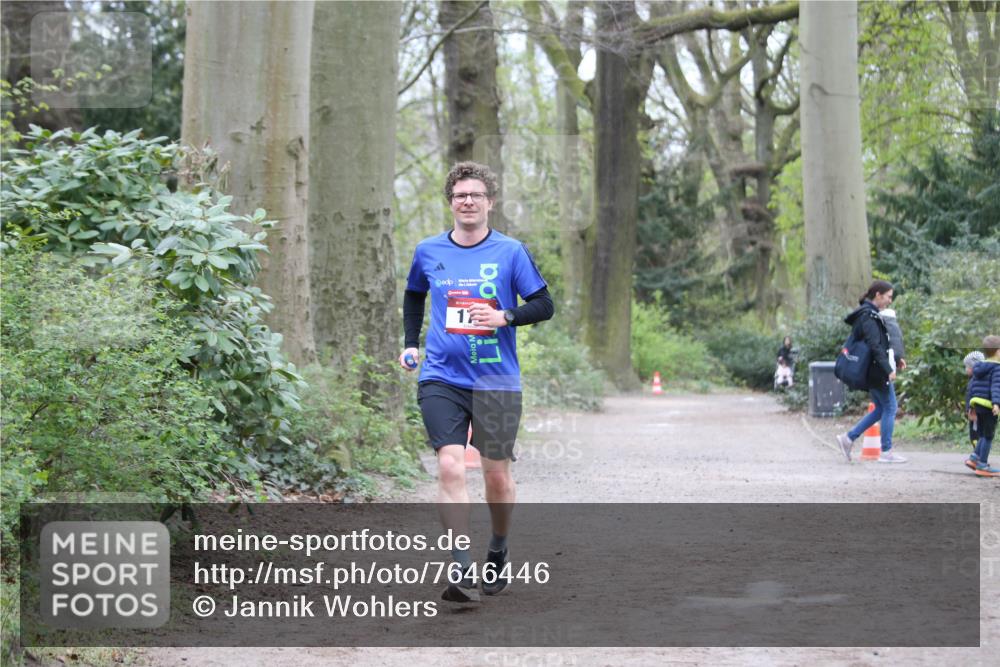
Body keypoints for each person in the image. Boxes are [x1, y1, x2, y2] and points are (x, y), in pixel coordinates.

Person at [399, 161, 554, 602]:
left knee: (496, 476)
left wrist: (505, 315)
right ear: (451, 203)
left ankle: (498, 550)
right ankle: (461, 567)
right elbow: (414, 294)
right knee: (449, 464)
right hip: (442, 376)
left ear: (490, 202)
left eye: (476, 195)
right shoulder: (429, 250)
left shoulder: (510, 251)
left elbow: (544, 304)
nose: (467, 202)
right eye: (460, 195)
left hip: (497, 379)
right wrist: (411, 342)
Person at [835, 280, 907, 463]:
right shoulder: (868, 316)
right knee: (890, 407)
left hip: (873, 369)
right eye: (889, 297)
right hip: (876, 370)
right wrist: (888, 368)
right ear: (878, 295)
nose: (890, 301)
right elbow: (875, 346)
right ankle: (886, 451)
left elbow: (880, 344)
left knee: (881, 408)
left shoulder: (870, 314)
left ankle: (848, 438)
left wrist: (896, 360)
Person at [964, 336, 1000, 477]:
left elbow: (972, 387)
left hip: (977, 404)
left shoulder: (979, 367)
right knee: (988, 436)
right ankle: (982, 465)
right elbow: (996, 387)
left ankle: (974, 458)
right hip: (989, 405)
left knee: (982, 434)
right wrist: (996, 404)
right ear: (998, 352)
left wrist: (971, 406)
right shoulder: (997, 368)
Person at [963, 351, 986, 453]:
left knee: (975, 435)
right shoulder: (977, 379)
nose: (965, 369)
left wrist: (970, 410)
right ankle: (978, 454)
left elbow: (973, 397)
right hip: (977, 412)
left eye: (967, 367)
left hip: (975, 413)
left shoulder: (975, 381)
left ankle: (977, 454)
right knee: (978, 434)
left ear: (974, 367)